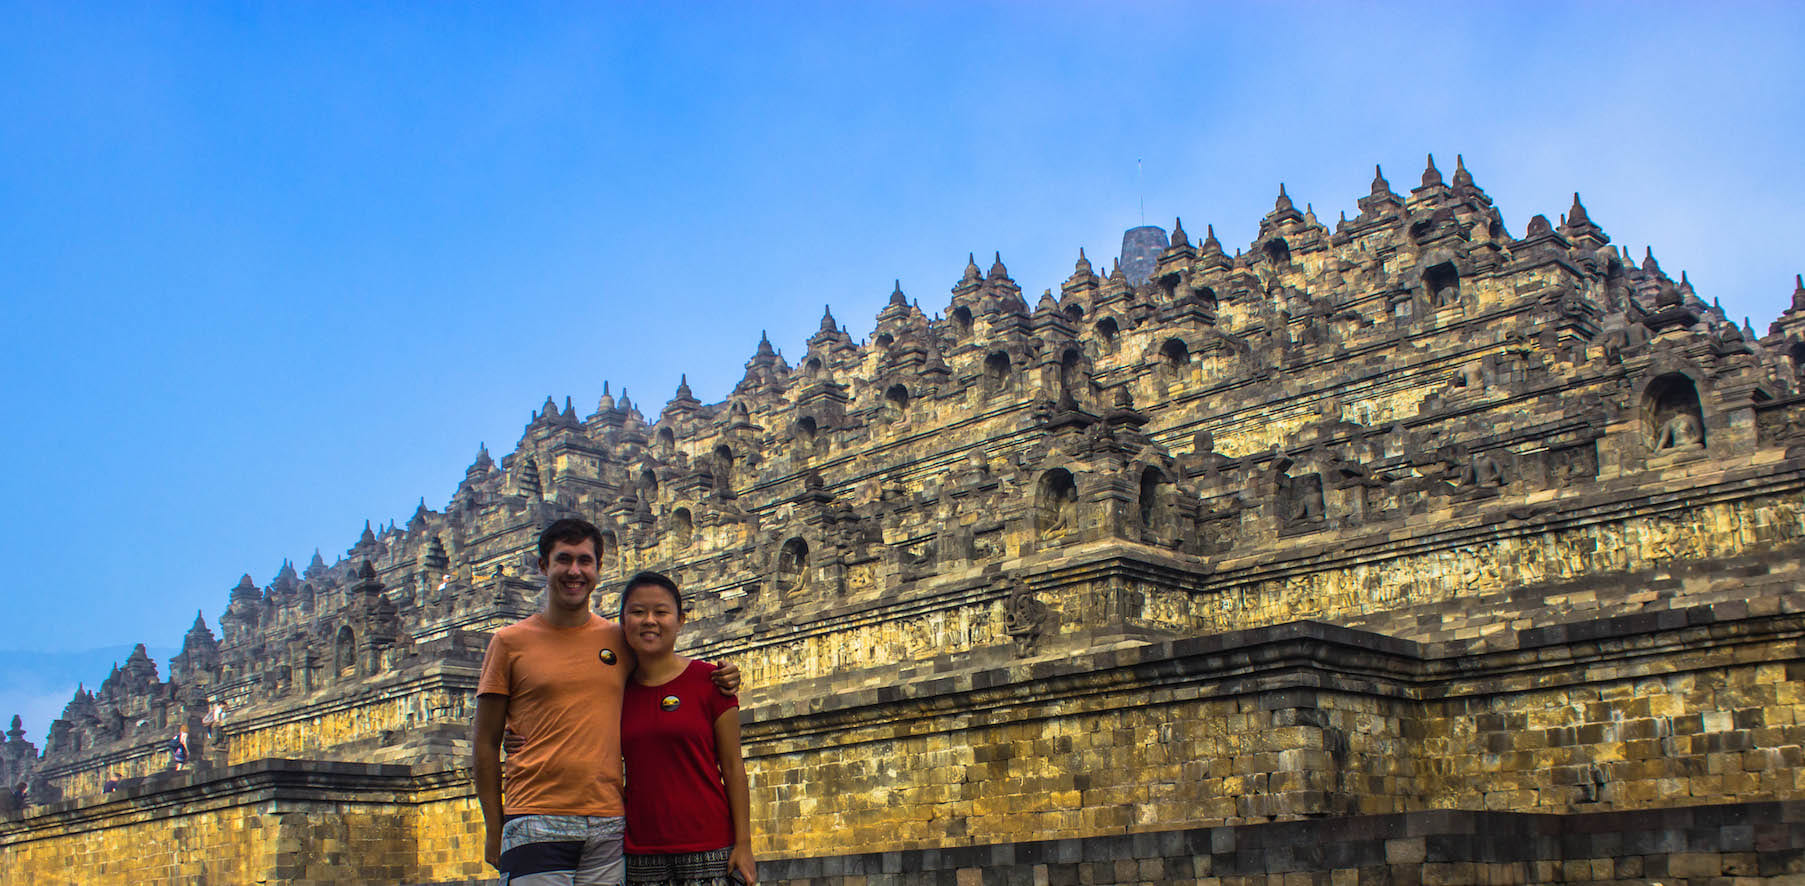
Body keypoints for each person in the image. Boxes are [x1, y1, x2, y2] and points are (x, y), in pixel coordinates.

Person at [473, 519, 738, 885]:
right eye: (563, 559)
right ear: (543, 566)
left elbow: (663, 670)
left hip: (608, 824)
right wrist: (493, 826)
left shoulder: (620, 640)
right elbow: (484, 743)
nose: (574, 571)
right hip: (535, 816)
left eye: (585, 561)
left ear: (598, 569)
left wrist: (722, 674)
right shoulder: (508, 643)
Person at [618, 571, 755, 886]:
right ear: (622, 622)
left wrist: (744, 844)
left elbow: (734, 768)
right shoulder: (615, 691)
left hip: (710, 845)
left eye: (661, 612)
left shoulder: (710, 682)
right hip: (640, 850)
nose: (649, 620)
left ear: (680, 621)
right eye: (638, 612)